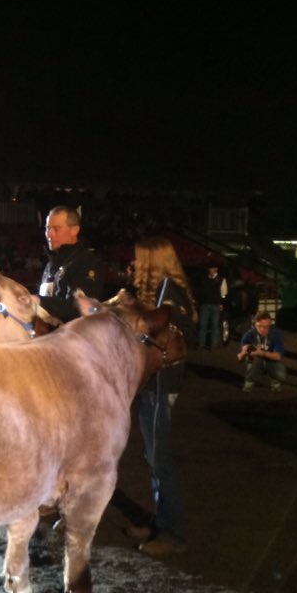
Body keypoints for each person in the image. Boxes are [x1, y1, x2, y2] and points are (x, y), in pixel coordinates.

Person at [124, 235, 197, 557]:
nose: (137, 264)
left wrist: (127, 310)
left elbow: (160, 323)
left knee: (160, 461)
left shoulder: (172, 290)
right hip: (152, 383)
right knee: (153, 459)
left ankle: (174, 533)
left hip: (161, 384)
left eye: (141, 259)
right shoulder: (163, 290)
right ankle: (159, 521)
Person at [37, 205, 105, 322]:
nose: (49, 234)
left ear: (74, 230)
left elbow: (78, 309)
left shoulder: (85, 261)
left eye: (56, 229)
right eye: (47, 228)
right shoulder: (51, 264)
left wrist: (39, 301)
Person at [237, 311, 286, 391]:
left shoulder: (276, 334)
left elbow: (278, 356)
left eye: (266, 327)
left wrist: (261, 353)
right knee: (251, 359)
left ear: (270, 324)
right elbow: (244, 349)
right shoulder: (249, 334)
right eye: (260, 326)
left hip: (271, 361)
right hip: (257, 361)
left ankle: (275, 382)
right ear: (255, 324)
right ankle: (249, 381)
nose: (262, 329)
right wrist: (243, 353)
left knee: (281, 374)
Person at [197, 263, 228, 349]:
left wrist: (220, 301)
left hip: (215, 304)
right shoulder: (204, 278)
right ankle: (201, 345)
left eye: (211, 268)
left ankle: (213, 345)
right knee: (203, 325)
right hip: (205, 304)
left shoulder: (221, 279)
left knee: (215, 326)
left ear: (215, 269)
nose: (210, 270)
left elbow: (224, 292)